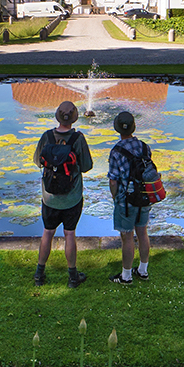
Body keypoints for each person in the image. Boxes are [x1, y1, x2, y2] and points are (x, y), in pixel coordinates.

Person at [32, 100, 93, 288]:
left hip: (49, 197)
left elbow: (37, 161)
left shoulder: (47, 137)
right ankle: (73, 278)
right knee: (69, 234)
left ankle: (39, 275)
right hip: (71, 197)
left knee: (47, 232)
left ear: (57, 116)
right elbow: (86, 166)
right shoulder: (78, 139)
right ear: (74, 119)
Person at [106, 111, 152, 285]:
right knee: (142, 232)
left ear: (117, 128)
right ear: (134, 127)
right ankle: (143, 270)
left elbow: (113, 180)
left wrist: (115, 198)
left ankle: (126, 276)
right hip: (144, 196)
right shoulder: (144, 147)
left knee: (127, 236)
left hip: (126, 200)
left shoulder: (116, 151)